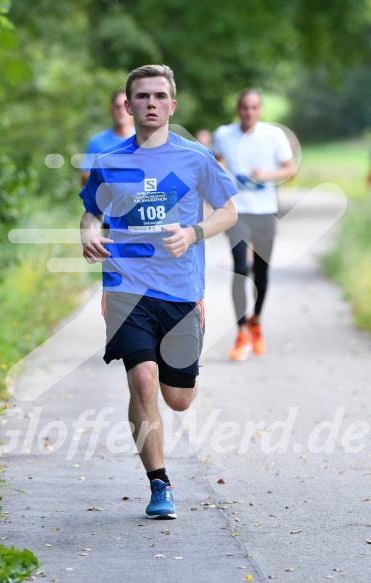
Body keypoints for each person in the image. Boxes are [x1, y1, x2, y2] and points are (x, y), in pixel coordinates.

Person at [80, 64, 237, 519]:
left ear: (172, 104)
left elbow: (229, 212)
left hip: (181, 291)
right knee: (143, 378)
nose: (150, 103)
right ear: (128, 106)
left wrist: (193, 233)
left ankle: (150, 390)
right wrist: (87, 233)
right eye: (142, 97)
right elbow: (91, 212)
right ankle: (160, 484)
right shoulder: (109, 161)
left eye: (158, 96)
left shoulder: (195, 158)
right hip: (127, 287)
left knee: (177, 398)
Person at [213, 89, 296, 361]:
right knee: (239, 270)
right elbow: (215, 163)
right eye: (244, 107)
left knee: (262, 271)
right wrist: (223, 174)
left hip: (265, 212)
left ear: (260, 111)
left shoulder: (274, 136)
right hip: (236, 213)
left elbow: (290, 169)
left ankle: (256, 322)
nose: (249, 112)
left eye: (254, 108)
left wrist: (267, 175)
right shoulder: (224, 134)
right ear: (238, 109)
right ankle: (240, 333)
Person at [80, 89, 134, 187]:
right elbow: (84, 177)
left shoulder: (145, 139)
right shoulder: (97, 142)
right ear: (111, 110)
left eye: (126, 106)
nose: (122, 111)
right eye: (117, 107)